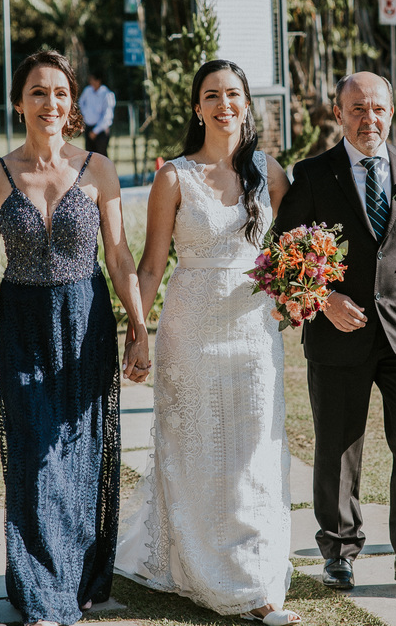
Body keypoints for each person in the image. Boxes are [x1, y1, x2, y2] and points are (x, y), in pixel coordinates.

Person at [0, 49, 149, 626]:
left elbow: (119, 258)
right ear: (19, 103)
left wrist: (140, 329)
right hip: (22, 328)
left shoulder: (98, 169)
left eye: (60, 93)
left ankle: (72, 575)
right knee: (35, 456)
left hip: (86, 323)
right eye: (38, 92)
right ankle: (44, 595)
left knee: (79, 455)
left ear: (73, 105)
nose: (50, 103)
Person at [115, 59, 301, 626]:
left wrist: (303, 292)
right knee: (195, 453)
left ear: (248, 104)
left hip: (253, 332)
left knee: (253, 453)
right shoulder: (173, 176)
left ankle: (256, 580)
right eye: (212, 95)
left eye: (233, 95)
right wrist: (137, 331)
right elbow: (150, 267)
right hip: (190, 332)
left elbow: (295, 251)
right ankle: (190, 562)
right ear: (197, 108)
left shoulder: (270, 172)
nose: (224, 105)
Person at [272, 71, 396, 597]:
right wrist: (322, 298)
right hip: (338, 333)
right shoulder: (312, 175)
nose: (368, 118)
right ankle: (338, 551)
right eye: (356, 109)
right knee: (337, 447)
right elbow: (282, 250)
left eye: (377, 108)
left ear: (391, 112)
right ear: (338, 114)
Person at [78, 71, 115, 157]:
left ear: (98, 80)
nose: (91, 82)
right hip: (88, 128)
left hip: (101, 130)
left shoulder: (107, 94)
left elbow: (108, 116)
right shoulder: (87, 90)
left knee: (101, 157)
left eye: (92, 79)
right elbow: (81, 102)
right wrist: (85, 114)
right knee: (89, 157)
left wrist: (95, 131)